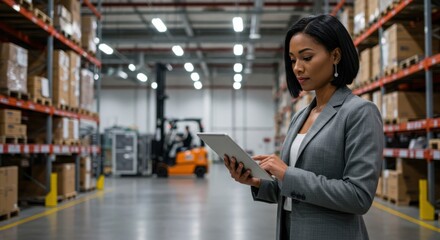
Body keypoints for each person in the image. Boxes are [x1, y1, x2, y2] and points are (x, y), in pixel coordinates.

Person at [223, 14, 383, 240]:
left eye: (306, 57)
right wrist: (257, 181)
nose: (297, 68)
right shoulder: (300, 116)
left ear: (335, 55)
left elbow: (358, 196)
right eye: (292, 59)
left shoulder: (359, 113)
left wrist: (288, 174)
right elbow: (291, 191)